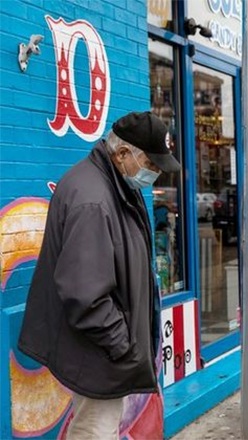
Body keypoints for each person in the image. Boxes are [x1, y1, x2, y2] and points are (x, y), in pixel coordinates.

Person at [18, 111, 181, 439]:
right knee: (94, 430)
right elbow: (85, 296)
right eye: (151, 164)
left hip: (103, 350)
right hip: (99, 353)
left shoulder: (115, 183)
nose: (155, 174)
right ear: (123, 154)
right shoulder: (94, 199)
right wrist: (125, 347)